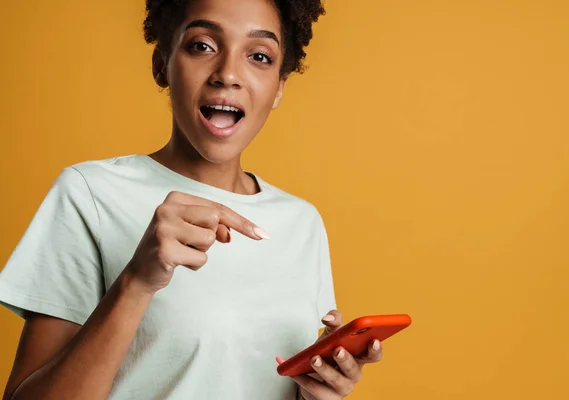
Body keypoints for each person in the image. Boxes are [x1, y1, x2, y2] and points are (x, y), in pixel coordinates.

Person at [0, 0, 384, 399]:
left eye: (258, 56)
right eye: (203, 46)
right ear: (161, 63)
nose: (228, 74)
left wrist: (318, 392)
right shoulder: (89, 194)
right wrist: (136, 282)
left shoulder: (301, 223)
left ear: (278, 89)